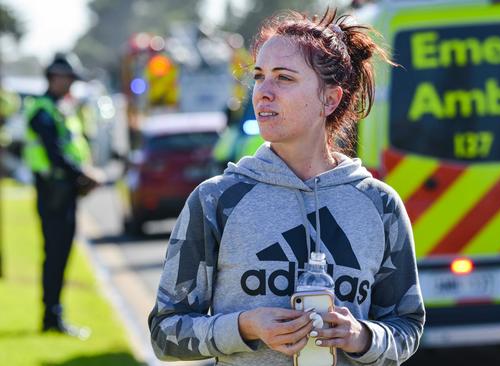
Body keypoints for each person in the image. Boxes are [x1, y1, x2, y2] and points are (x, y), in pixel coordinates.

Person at [149, 8, 424, 365]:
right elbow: (165, 334)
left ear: (330, 99)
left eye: (283, 78)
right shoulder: (217, 200)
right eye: (260, 76)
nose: (263, 92)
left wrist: (362, 337)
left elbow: (407, 328)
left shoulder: (379, 204)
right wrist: (244, 326)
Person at [23, 52, 102, 337]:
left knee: (60, 254)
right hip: (52, 193)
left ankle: (53, 315)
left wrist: (82, 174)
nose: (70, 84)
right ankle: (51, 317)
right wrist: (83, 176)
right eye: (67, 78)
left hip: (63, 192)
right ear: (54, 77)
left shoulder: (59, 108)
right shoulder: (43, 110)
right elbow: (55, 153)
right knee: (55, 254)